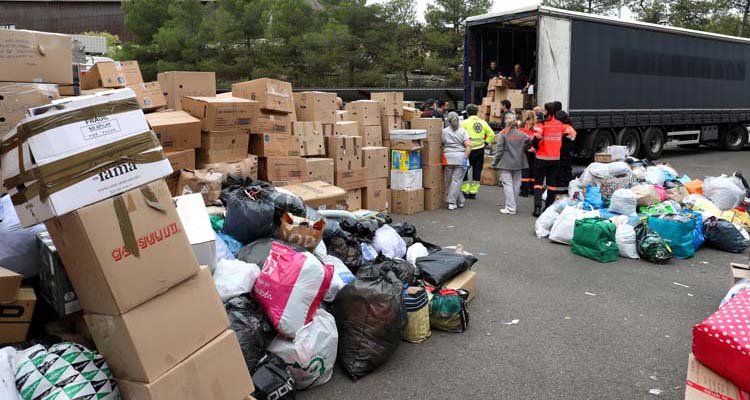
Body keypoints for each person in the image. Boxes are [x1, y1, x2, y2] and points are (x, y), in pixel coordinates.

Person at [492, 113, 531, 215]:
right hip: (519, 161)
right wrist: (524, 149)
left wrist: (495, 163)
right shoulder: (521, 134)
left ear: (505, 121)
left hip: (506, 162)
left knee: (507, 185)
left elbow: (499, 150)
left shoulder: (503, 133)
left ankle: (510, 207)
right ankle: (512, 205)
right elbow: (530, 141)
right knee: (516, 185)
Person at [532, 102, 566, 217]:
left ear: (546, 111)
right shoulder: (560, 124)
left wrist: (535, 148)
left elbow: (536, 138)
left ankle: (537, 208)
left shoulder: (542, 124)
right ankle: (547, 208)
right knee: (552, 184)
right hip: (555, 158)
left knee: (538, 183)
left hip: (541, 157)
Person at [461, 104, 495, 198]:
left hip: (467, 150)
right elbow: (491, 134)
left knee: (464, 170)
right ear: (477, 112)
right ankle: (473, 192)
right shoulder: (483, 122)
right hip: (480, 149)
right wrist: (485, 143)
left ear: (467, 112)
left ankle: (465, 191)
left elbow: (460, 135)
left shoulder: (464, 123)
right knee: (477, 171)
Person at [442, 112, 472, 210]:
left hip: (448, 158)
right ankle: (452, 202)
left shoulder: (444, 131)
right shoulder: (463, 131)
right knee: (456, 181)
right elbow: (469, 146)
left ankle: (460, 200)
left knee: (451, 181)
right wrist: (465, 158)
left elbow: (442, 143)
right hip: (460, 157)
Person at [518, 110, 541, 197]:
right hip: (534, 150)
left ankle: (524, 190)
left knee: (525, 170)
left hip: (525, 150)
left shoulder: (522, 125)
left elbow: (519, 138)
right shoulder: (537, 126)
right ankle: (532, 189)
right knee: (533, 169)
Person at [555, 110, 577, 197]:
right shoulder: (570, 128)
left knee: (560, 174)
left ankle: (559, 194)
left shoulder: (561, 128)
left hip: (561, 154)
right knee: (567, 172)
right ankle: (567, 191)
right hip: (569, 154)